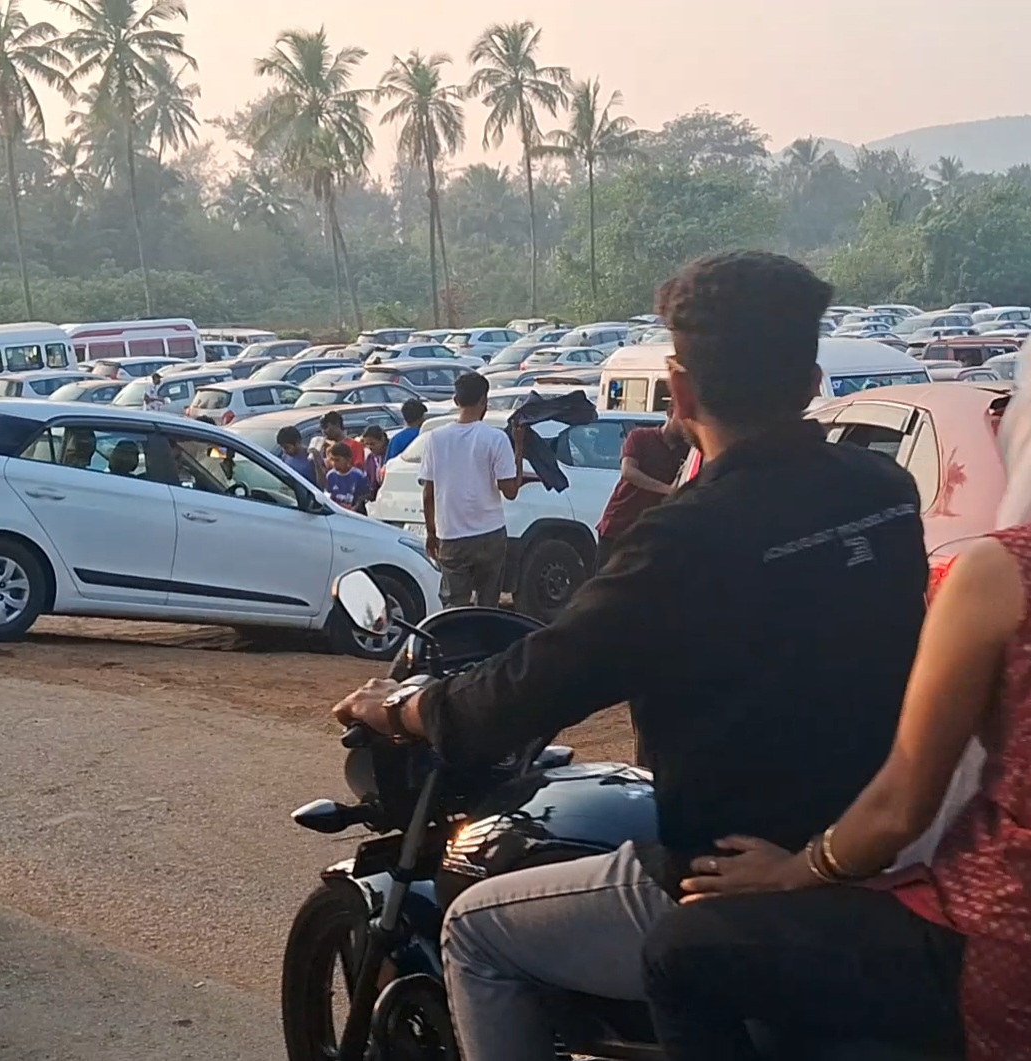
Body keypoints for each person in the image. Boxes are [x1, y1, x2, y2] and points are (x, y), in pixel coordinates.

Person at [331, 251, 929, 1061]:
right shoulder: (883, 492)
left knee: (474, 930)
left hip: (728, 873)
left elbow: (536, 682)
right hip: (884, 852)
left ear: (679, 391)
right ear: (812, 380)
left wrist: (405, 707)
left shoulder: (684, 539)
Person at [642, 354, 1031, 1061]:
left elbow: (902, 806)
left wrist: (794, 871)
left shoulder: (1001, 573)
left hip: (996, 940)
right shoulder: (884, 490)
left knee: (677, 953)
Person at [420, 371, 524, 608]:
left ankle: (456, 633)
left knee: (454, 604)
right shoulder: (496, 438)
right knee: (488, 604)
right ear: (484, 401)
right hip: (490, 534)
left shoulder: (435, 439)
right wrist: (519, 449)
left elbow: (428, 493)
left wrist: (431, 532)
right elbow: (510, 491)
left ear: (456, 401)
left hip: (451, 535)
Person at [596, 408, 688, 570]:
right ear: (670, 412)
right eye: (683, 418)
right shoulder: (640, 437)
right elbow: (628, 471)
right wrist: (668, 490)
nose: (686, 425)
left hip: (652, 531)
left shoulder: (687, 451)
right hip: (619, 525)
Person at [325, 442, 369, 510]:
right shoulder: (330, 475)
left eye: (337, 460)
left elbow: (364, 496)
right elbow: (328, 495)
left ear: (348, 460)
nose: (334, 463)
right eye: (332, 460)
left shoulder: (359, 476)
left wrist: (356, 506)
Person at [361, 425, 389, 502]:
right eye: (367, 444)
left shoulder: (390, 455)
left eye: (372, 444)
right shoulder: (370, 458)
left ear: (382, 440)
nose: (369, 447)